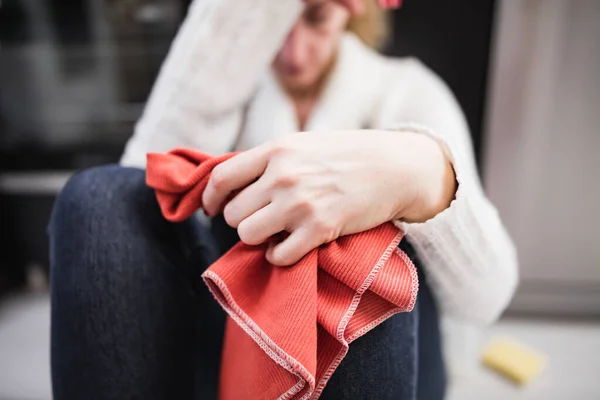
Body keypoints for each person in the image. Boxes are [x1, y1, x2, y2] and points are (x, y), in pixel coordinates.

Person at [48, 0, 518, 399]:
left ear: (351, 15)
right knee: (99, 197)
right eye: (279, 21)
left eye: (314, 18)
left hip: (384, 342)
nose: (293, 51)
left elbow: (487, 297)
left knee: (356, 242)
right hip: (237, 338)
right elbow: (141, 196)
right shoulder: (232, 91)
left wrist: (421, 175)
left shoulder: (406, 88)